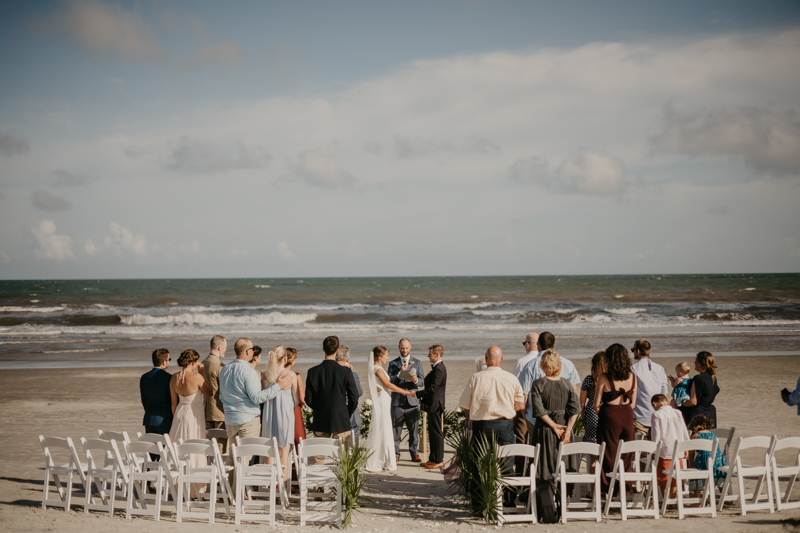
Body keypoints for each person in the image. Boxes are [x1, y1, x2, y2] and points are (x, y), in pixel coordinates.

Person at [459, 346, 525, 507]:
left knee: (480, 464)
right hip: (505, 423)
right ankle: (508, 501)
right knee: (507, 462)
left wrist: (479, 410)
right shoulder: (511, 378)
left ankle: (480, 504)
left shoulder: (476, 378)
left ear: (486, 359)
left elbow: (465, 405)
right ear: (501, 359)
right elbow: (520, 405)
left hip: (482, 424)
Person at [219, 337, 292, 443]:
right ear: (248, 351)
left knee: (233, 455)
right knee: (245, 455)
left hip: (230, 419)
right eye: (252, 349)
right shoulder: (249, 371)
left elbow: (222, 396)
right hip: (247, 420)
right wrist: (278, 386)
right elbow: (257, 398)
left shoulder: (225, 369)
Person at [529, 350, 580, 499]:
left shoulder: (539, 384)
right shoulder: (567, 383)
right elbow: (575, 409)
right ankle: (564, 500)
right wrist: (569, 429)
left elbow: (539, 409)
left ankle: (547, 498)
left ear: (542, 365)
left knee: (545, 463)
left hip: (545, 428)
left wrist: (552, 425)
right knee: (564, 462)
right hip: (564, 427)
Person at [365, 346, 416, 472]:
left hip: (385, 400)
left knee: (385, 429)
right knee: (383, 429)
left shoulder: (379, 369)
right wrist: (405, 393)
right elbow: (388, 384)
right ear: (379, 357)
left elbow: (388, 388)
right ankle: (380, 460)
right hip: (382, 402)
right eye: (386, 355)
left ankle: (383, 459)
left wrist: (403, 391)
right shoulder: (377, 369)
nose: (388, 358)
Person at [305, 336, 360, 452]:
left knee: (319, 457)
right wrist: (347, 412)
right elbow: (354, 398)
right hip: (341, 419)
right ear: (337, 351)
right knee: (342, 459)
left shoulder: (312, 372)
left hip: (320, 419)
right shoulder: (346, 372)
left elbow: (308, 399)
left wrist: (320, 408)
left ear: (323, 349)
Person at [594, 343, 637, 491]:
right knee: (626, 454)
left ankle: (609, 491)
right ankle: (624, 489)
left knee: (609, 454)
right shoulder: (633, 377)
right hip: (627, 415)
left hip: (609, 415)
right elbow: (633, 404)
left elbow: (596, 405)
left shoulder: (604, 377)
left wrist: (606, 415)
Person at [517, 332, 581, 429]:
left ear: (538, 346)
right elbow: (574, 390)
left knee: (538, 444)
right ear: (553, 345)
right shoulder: (568, 364)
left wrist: (525, 416)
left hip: (535, 418)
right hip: (562, 417)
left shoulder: (530, 366)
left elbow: (524, 396)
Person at [169, 348, 212, 468]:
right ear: (193, 362)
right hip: (194, 414)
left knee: (178, 444)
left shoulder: (173, 378)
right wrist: (202, 374)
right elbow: (210, 392)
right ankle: (193, 477)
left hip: (179, 413)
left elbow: (173, 403)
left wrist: (176, 418)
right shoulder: (197, 377)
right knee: (194, 444)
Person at [387, 338, 425, 462]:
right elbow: (389, 381)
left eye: (407, 348)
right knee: (395, 430)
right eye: (402, 348)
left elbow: (422, 381)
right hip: (397, 402)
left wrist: (414, 379)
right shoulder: (392, 363)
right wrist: (399, 373)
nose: (404, 350)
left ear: (410, 347)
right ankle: (396, 454)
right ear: (399, 347)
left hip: (412, 402)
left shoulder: (418, 362)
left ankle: (414, 454)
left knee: (413, 430)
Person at [261, 345, 297, 475]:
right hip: (285, 415)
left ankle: (268, 485)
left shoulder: (266, 375)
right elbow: (296, 399)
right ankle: (282, 488)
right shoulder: (291, 374)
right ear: (285, 358)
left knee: (270, 453)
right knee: (284, 453)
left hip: (269, 415)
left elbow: (265, 395)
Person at [650, 394, 690, 501]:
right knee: (675, 476)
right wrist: (686, 446)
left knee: (664, 477)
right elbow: (684, 430)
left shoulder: (656, 414)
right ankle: (673, 499)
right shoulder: (677, 412)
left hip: (664, 450)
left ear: (654, 404)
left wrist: (655, 450)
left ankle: (666, 500)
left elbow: (656, 435)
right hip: (679, 448)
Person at [511, 333, 538, 478]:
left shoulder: (522, 361)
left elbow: (514, 384)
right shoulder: (547, 361)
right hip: (541, 407)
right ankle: (533, 473)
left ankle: (521, 473)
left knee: (522, 440)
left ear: (528, 344)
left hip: (524, 405)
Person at [417, 344, 447, 469]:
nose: (428, 356)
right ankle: (433, 458)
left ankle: (439, 460)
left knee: (437, 432)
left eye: (430, 354)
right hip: (432, 404)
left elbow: (432, 389)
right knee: (432, 432)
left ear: (437, 354)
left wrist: (416, 394)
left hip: (435, 404)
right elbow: (428, 382)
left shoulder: (439, 369)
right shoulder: (436, 368)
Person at [630, 339, 667, 440]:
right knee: (655, 451)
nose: (633, 352)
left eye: (633, 350)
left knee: (639, 451)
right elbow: (664, 394)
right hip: (657, 414)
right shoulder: (659, 368)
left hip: (639, 416)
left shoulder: (633, 368)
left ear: (638, 351)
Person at [687, 414, 727, 498]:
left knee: (696, 475)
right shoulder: (713, 435)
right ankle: (725, 497)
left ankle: (697, 500)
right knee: (720, 477)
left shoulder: (695, 436)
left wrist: (690, 468)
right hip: (718, 460)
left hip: (704, 460)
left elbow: (691, 454)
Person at [678, 351, 720, 427]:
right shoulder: (713, 378)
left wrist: (678, 403)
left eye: (696, 361)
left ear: (700, 364)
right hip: (710, 414)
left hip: (697, 415)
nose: (694, 362)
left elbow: (693, 402)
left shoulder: (698, 378)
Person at [201, 335, 227, 453]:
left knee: (209, 447)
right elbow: (224, 390)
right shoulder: (220, 366)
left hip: (206, 409)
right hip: (219, 411)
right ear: (219, 348)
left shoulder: (202, 363)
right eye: (225, 347)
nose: (226, 350)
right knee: (220, 448)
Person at [140, 348, 173, 436]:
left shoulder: (144, 377)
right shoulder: (169, 378)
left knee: (152, 448)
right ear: (163, 362)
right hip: (165, 420)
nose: (169, 362)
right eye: (169, 360)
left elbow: (144, 400)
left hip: (149, 419)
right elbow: (172, 400)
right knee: (164, 448)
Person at [336, 346, 363, 444]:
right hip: (351, 410)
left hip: (335, 411)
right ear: (347, 359)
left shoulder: (332, 373)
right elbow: (359, 392)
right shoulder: (352, 374)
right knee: (353, 438)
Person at [579, 351, 606, 445]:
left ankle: (592, 460)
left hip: (591, 413)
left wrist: (583, 414)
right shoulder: (609, 380)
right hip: (606, 411)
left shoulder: (589, 379)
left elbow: (581, 402)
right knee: (605, 442)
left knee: (591, 444)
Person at [285, 347, 307, 444]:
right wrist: (301, 405)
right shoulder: (296, 375)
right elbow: (302, 399)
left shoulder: (274, 374)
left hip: (277, 409)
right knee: (300, 439)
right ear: (292, 361)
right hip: (293, 409)